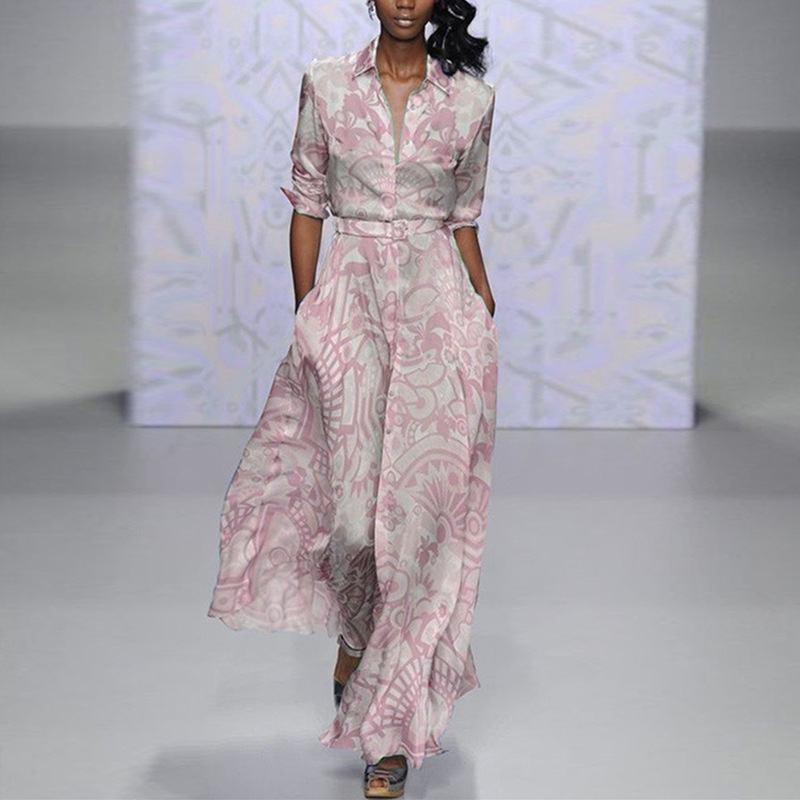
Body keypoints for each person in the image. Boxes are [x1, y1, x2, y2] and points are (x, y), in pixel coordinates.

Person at [207, 0, 498, 795]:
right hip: (351, 310)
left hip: (441, 322)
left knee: (421, 527)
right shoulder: (327, 85)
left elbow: (465, 214)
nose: (404, 0)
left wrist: (482, 302)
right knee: (351, 522)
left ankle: (389, 734)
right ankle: (359, 636)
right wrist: (309, 313)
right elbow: (308, 201)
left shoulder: (471, 100)